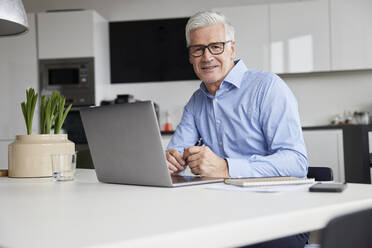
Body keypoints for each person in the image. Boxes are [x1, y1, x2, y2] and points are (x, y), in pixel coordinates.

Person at [166, 11, 309, 248]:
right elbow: (176, 155)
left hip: (279, 215)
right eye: (198, 49)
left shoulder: (268, 87)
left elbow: (296, 163)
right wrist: (171, 161)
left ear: (232, 49)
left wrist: (225, 167)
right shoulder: (195, 102)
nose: (206, 57)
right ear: (190, 57)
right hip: (221, 214)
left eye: (216, 47)